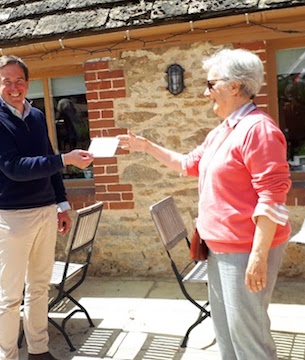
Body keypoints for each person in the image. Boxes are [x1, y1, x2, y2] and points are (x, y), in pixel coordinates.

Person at [117, 48, 292, 359]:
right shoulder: (224, 131)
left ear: (236, 86)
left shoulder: (259, 130)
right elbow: (188, 164)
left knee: (249, 339)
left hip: (244, 250)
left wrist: (258, 257)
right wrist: (145, 146)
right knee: (226, 332)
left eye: (211, 85)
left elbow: (272, 197)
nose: (205, 92)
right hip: (219, 248)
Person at [0, 55, 93, 360]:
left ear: (27, 83)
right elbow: (14, 167)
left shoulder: (38, 116)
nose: (14, 88)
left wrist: (61, 204)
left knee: (39, 288)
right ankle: (8, 356)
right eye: (7, 82)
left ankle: (39, 351)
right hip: (11, 217)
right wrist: (66, 160)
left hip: (44, 213)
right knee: (10, 296)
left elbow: (48, 160)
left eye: (19, 81)